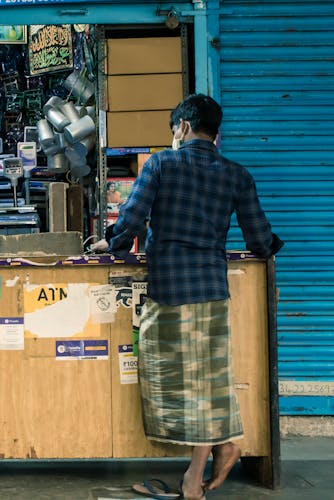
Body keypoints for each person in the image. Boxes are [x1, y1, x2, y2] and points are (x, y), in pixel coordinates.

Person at [95, 94, 283, 499]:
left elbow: (130, 218)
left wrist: (110, 245)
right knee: (207, 385)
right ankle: (217, 450)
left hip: (170, 289)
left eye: (173, 130)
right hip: (212, 292)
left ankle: (195, 479)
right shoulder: (237, 175)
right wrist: (271, 247)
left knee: (174, 383)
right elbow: (259, 239)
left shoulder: (162, 164)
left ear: (181, 127)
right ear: (216, 132)